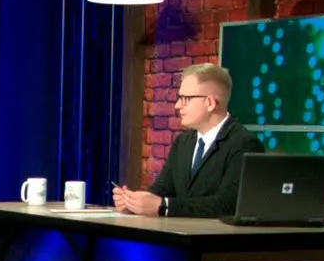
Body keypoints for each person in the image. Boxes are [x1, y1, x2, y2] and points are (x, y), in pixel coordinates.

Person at [113, 63, 264, 218]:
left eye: (185, 99)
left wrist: (165, 207)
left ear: (210, 103)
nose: (177, 105)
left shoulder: (244, 144)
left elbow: (227, 204)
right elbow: (161, 191)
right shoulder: (183, 143)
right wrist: (134, 202)